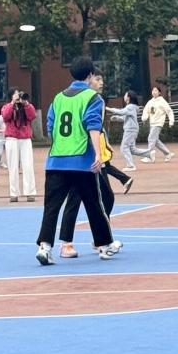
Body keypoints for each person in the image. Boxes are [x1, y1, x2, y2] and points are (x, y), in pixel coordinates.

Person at [35, 57, 120, 265]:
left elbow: (51, 127)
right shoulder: (93, 97)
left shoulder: (58, 98)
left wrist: (60, 147)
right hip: (82, 161)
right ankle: (104, 245)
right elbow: (93, 126)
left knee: (51, 207)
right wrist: (98, 154)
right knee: (94, 204)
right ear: (90, 75)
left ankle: (45, 247)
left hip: (56, 160)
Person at [58, 73, 129, 258]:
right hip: (80, 158)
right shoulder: (81, 99)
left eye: (102, 79)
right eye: (97, 79)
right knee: (74, 199)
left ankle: (100, 240)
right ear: (88, 79)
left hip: (95, 158)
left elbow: (98, 129)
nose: (101, 82)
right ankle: (66, 244)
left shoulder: (97, 100)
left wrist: (102, 151)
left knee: (107, 197)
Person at [2, 91, 37, 202]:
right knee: (12, 167)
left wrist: (25, 103)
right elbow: (5, 116)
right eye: (16, 95)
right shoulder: (7, 106)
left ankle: (30, 192)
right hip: (12, 138)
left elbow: (32, 116)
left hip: (25, 138)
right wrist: (13, 103)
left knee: (28, 165)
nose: (18, 97)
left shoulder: (27, 106)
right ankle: (14, 193)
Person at [106, 90, 142, 170]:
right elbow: (124, 117)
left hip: (130, 129)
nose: (124, 96)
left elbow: (121, 112)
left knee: (124, 147)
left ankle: (130, 165)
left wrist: (108, 108)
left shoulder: (130, 107)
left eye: (125, 95)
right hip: (131, 129)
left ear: (129, 97)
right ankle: (149, 154)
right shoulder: (131, 107)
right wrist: (116, 118)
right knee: (132, 149)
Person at [140, 85, 175, 163]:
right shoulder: (150, 102)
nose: (154, 92)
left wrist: (171, 121)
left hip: (158, 123)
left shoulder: (162, 102)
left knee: (151, 138)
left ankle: (149, 156)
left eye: (156, 90)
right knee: (155, 141)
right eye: (153, 90)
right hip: (152, 123)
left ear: (159, 93)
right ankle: (168, 153)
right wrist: (144, 118)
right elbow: (146, 110)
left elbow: (169, 111)